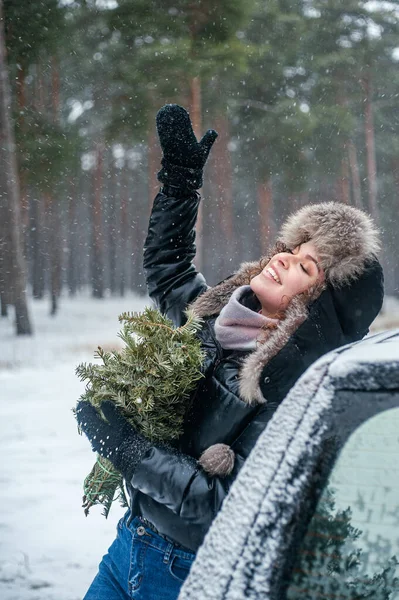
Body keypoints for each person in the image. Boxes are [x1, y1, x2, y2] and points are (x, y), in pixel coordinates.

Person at [76, 104, 384, 600]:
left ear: (316, 309)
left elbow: (223, 504)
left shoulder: (294, 389)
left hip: (189, 573)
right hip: (130, 545)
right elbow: (169, 270)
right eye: (292, 247)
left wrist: (129, 450)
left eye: (307, 268)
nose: (284, 258)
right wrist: (180, 185)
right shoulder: (221, 320)